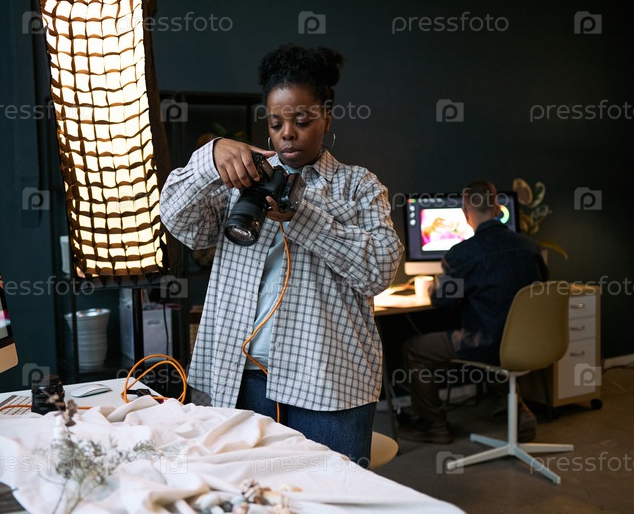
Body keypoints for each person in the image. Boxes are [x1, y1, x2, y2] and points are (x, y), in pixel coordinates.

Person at [160, 44, 402, 467]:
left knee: (330, 495)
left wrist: (301, 215)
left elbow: (380, 269)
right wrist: (209, 158)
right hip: (238, 377)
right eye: (276, 123)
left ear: (326, 117)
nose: (288, 132)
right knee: (246, 493)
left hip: (329, 382)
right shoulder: (240, 182)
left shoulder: (358, 186)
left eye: (302, 120)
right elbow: (180, 221)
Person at [400, 180, 548, 444]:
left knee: (416, 349)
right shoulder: (530, 247)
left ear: (466, 212)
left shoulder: (463, 254)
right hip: (528, 342)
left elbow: (441, 300)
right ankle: (520, 411)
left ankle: (435, 426)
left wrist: (435, 284)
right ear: (497, 208)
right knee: (500, 337)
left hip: (486, 343)